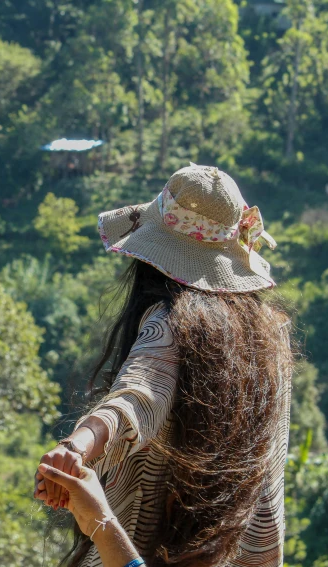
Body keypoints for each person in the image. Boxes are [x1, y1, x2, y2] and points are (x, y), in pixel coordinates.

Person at [35, 164, 294, 567]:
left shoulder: (170, 323)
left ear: (152, 258)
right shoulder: (272, 340)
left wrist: (75, 448)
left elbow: (137, 395)